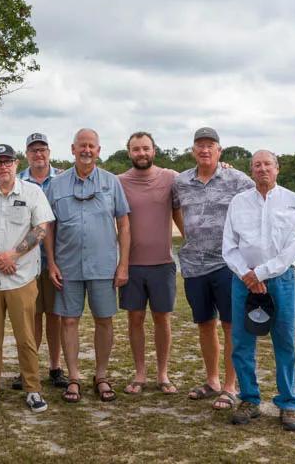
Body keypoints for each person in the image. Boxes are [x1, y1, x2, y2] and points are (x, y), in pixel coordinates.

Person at [0, 144, 54, 414]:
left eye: (7, 161)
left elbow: (41, 228)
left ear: (16, 164)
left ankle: (33, 390)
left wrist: (13, 255)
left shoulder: (33, 192)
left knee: (26, 337)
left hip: (22, 278)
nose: (3, 166)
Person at [45, 128, 130, 404]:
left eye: (91, 146)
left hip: (103, 265)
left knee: (104, 320)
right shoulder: (56, 185)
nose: (86, 150)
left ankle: (101, 376)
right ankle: (73, 377)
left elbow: (124, 224)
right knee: (68, 320)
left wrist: (123, 264)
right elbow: (49, 227)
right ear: (72, 149)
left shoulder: (111, 182)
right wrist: (52, 263)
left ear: (98, 150)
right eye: (82, 145)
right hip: (67, 266)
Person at [223, 150, 295, 430]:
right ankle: (249, 399)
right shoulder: (238, 202)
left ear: (277, 168)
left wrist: (261, 273)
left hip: (280, 280)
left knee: (284, 341)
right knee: (242, 341)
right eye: (256, 165)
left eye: (267, 164)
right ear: (251, 170)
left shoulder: (293, 201)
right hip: (242, 279)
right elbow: (229, 246)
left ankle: (289, 403)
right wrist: (247, 274)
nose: (262, 169)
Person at [173, 127, 254, 410]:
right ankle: (212, 381)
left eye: (210, 145)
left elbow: (259, 202)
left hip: (227, 264)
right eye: (199, 145)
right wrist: (187, 235)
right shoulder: (181, 181)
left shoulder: (236, 179)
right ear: (193, 150)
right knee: (205, 324)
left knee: (231, 326)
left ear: (220, 151)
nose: (204, 150)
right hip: (194, 264)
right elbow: (173, 207)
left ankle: (231, 387)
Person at [117, 132, 183, 395]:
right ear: (129, 152)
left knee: (162, 318)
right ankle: (140, 373)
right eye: (136, 149)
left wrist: (225, 167)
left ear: (154, 150)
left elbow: (182, 207)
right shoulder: (118, 182)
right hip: (131, 264)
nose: (141, 153)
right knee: (135, 318)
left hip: (163, 262)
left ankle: (163, 374)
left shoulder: (171, 178)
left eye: (146, 148)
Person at [16, 132, 68, 390]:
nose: (38, 154)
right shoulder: (17, 181)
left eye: (43, 149)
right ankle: (30, 367)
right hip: (27, 260)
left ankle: (55, 367)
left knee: (55, 314)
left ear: (49, 152)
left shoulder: (64, 178)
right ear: (26, 154)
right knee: (32, 315)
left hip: (58, 258)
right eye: (33, 150)